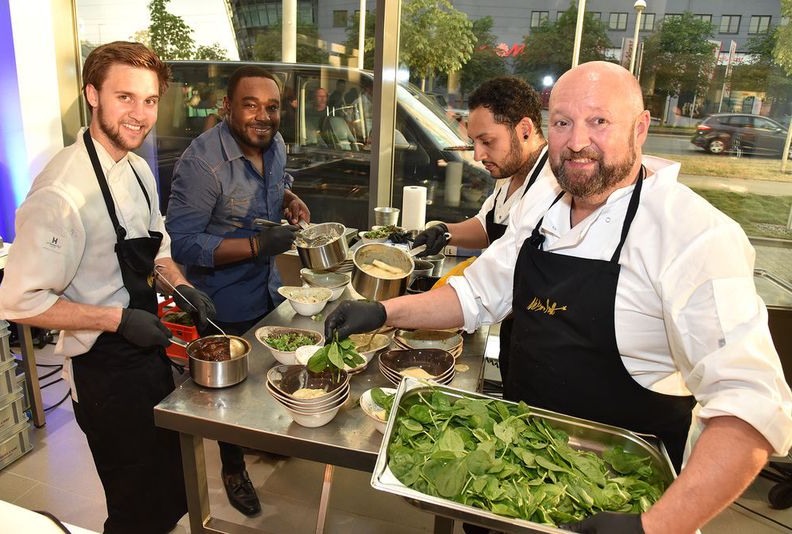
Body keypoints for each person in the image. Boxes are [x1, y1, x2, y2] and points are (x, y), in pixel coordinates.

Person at [324, 61, 792, 533]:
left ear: (641, 127)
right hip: (516, 465)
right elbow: (476, 293)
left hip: (619, 490)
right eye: (563, 122)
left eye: (599, 121)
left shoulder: (696, 236)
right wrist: (384, 311)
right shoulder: (543, 201)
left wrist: (654, 527)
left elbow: (750, 405)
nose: (576, 140)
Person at [0, 41, 217, 533]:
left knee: (168, 486)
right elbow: (19, 301)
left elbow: (155, 249)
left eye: (150, 100)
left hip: (149, 358)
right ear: (92, 94)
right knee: (134, 506)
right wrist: (115, 319)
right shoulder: (60, 194)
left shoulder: (139, 169)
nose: (140, 115)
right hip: (104, 375)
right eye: (125, 98)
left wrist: (180, 285)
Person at [166, 65, 311, 516]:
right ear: (227, 107)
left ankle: (261, 437)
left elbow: (276, 185)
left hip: (267, 287)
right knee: (229, 390)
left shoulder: (277, 145)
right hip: (219, 299)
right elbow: (184, 242)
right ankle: (233, 467)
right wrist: (253, 244)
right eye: (250, 105)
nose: (262, 116)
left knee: (267, 369)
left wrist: (289, 199)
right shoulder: (202, 163)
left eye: (271, 107)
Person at [412, 76, 550, 384]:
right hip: (514, 328)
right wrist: (445, 231)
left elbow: (487, 289)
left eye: (487, 142)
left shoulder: (549, 187)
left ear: (525, 130)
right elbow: (487, 225)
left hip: (543, 336)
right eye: (475, 142)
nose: (478, 155)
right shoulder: (509, 173)